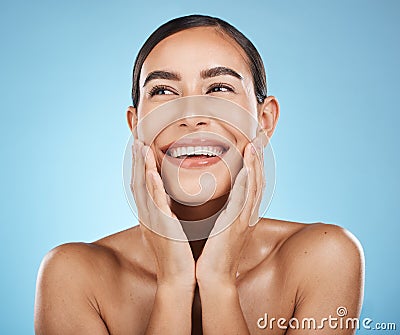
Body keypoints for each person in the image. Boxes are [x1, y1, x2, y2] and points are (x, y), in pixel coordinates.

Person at [34, 14, 364, 335]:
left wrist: (218, 281)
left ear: (264, 121)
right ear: (136, 127)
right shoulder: (71, 276)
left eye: (219, 88)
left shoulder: (324, 258)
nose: (191, 115)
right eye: (163, 91)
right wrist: (174, 283)